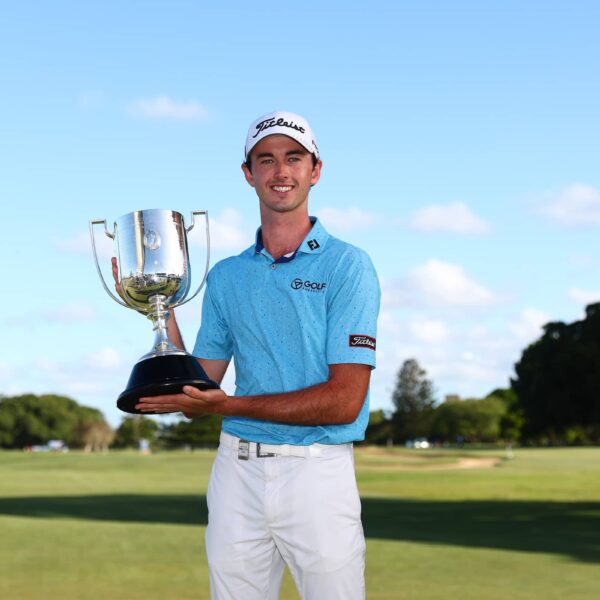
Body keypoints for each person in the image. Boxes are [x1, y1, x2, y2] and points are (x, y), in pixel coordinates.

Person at [136, 110, 381, 600]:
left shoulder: (348, 265)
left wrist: (224, 407)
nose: (280, 171)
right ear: (249, 174)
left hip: (316, 471)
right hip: (237, 472)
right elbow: (200, 387)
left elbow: (343, 401)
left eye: (294, 158)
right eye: (265, 160)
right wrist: (157, 307)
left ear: (316, 170)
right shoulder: (226, 276)